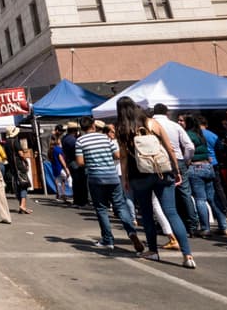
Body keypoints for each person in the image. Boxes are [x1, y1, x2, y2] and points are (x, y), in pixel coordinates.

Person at [116, 98, 195, 269]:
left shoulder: (122, 128)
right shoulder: (151, 123)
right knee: (172, 212)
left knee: (146, 214)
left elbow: (123, 157)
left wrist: (125, 179)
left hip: (139, 175)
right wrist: (176, 170)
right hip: (162, 172)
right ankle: (187, 255)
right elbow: (170, 148)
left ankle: (153, 251)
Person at [77, 115, 142, 252]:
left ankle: (108, 240)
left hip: (95, 178)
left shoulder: (80, 141)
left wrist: (93, 161)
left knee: (101, 209)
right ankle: (132, 233)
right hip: (112, 176)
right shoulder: (106, 138)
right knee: (120, 206)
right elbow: (118, 155)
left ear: (81, 128)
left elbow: (80, 162)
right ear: (94, 126)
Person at [152, 104, 197, 236]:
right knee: (185, 193)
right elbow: (189, 146)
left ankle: (165, 225)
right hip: (178, 159)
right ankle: (192, 225)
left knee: (161, 194)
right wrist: (186, 159)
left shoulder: (149, 125)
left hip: (158, 161)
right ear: (166, 113)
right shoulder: (175, 125)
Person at [184, 115, 227, 237]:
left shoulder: (189, 135)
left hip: (196, 167)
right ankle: (223, 226)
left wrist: (187, 161)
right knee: (213, 198)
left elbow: (188, 150)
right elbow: (219, 148)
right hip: (209, 166)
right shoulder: (204, 134)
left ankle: (205, 228)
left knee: (200, 199)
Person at [2, 127, 32, 215]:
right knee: (24, 185)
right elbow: (20, 154)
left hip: (12, 167)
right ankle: (22, 205)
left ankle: (21, 206)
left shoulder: (6, 143)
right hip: (19, 166)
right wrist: (25, 160)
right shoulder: (15, 141)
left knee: (17, 185)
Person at [61, 122, 86, 207]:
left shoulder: (64, 138)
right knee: (80, 182)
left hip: (70, 161)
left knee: (76, 181)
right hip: (75, 161)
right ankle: (80, 201)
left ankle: (78, 200)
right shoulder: (73, 140)